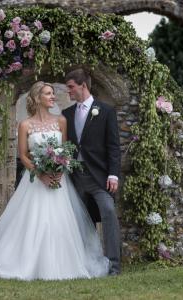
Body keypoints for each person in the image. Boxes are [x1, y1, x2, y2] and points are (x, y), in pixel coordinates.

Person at [0, 81, 109, 280]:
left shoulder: (61, 121)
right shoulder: (25, 125)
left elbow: (65, 150)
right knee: (33, 221)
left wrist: (59, 170)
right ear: (37, 98)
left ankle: (65, 264)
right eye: (48, 94)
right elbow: (23, 155)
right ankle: (25, 262)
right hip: (35, 181)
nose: (53, 97)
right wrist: (40, 174)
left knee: (60, 221)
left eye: (52, 94)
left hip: (59, 181)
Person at [62, 69, 122, 276]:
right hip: (75, 176)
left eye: (70, 87)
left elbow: (114, 146)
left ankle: (114, 266)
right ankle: (83, 263)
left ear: (83, 86)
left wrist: (113, 175)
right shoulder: (66, 114)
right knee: (79, 220)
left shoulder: (105, 111)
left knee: (109, 213)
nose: (68, 91)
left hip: (100, 177)